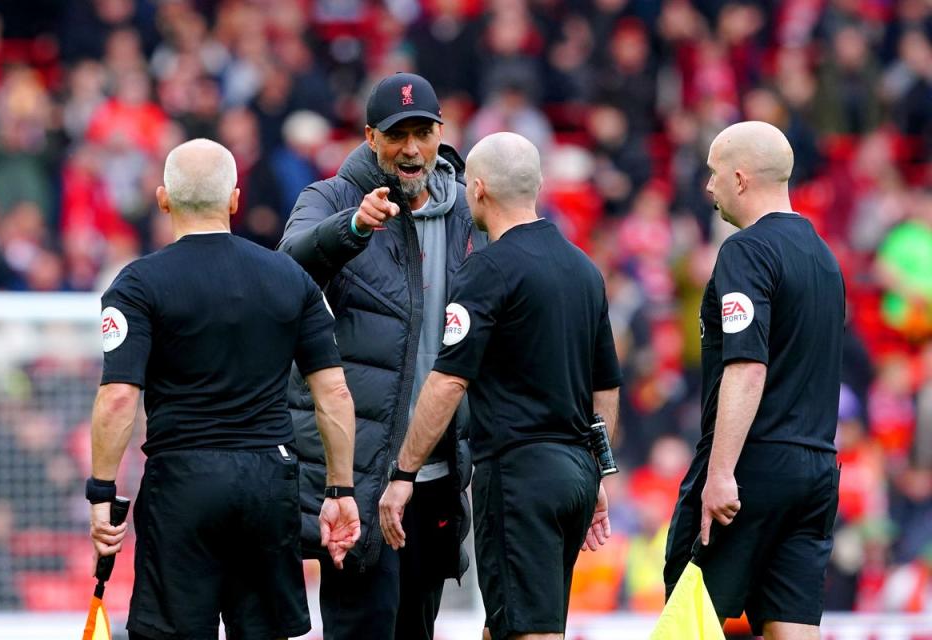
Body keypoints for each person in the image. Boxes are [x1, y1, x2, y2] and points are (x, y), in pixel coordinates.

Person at [87, 139, 361, 640]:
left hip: (182, 481)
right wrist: (339, 489)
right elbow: (334, 394)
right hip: (267, 480)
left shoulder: (137, 284)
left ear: (163, 198)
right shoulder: (291, 278)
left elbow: (119, 396)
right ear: (235, 199)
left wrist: (102, 492)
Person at [379, 132, 623, 640]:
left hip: (519, 475)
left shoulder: (486, 270)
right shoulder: (584, 269)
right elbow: (607, 388)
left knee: (529, 631)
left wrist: (404, 473)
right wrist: (599, 470)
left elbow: (447, 382)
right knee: (508, 622)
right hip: (575, 472)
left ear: (479, 189)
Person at [276, 72, 483, 640]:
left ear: (441, 132)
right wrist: (351, 228)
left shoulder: (469, 210)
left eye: (422, 132)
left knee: (419, 626)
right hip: (358, 476)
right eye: (397, 135)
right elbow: (287, 267)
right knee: (361, 628)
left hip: (435, 471)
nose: (411, 149)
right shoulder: (330, 197)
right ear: (370, 137)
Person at [663, 121, 845, 640]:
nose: (708, 185)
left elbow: (747, 365)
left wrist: (720, 472)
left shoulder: (745, 252)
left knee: (689, 621)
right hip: (816, 469)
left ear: (740, 179)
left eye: (714, 172)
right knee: (792, 625)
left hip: (752, 465)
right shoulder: (824, 259)